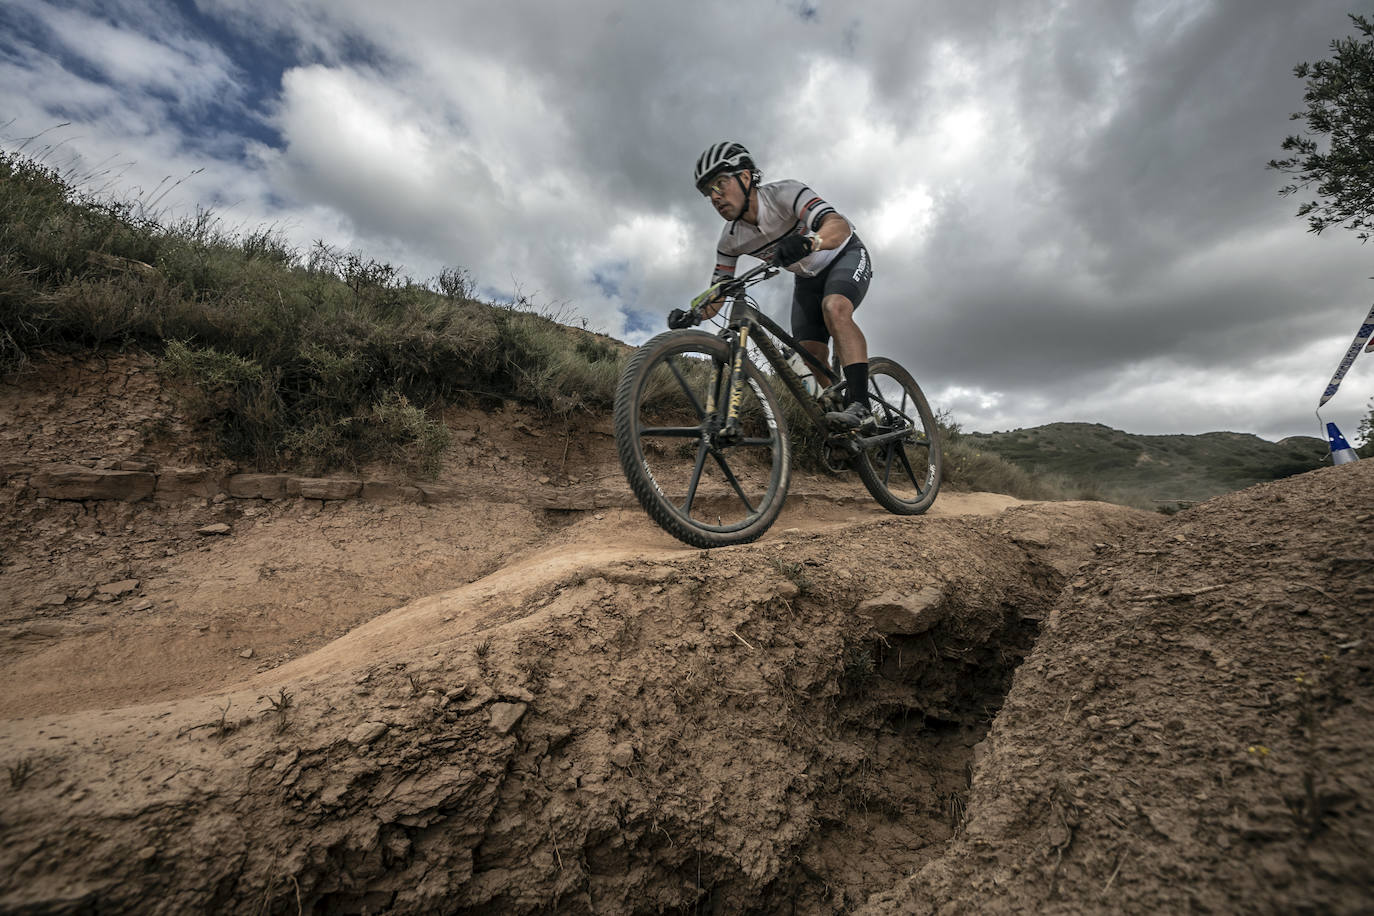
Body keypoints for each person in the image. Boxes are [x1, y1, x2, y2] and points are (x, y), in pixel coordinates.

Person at [675, 140, 875, 431]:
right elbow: (718, 290)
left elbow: (838, 225)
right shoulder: (730, 240)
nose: (715, 197)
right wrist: (693, 314)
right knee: (809, 357)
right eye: (709, 193)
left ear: (745, 177)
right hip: (807, 279)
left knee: (835, 308)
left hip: (844, 254)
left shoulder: (785, 194)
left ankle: (862, 407)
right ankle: (842, 419)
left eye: (719, 184)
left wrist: (811, 240)